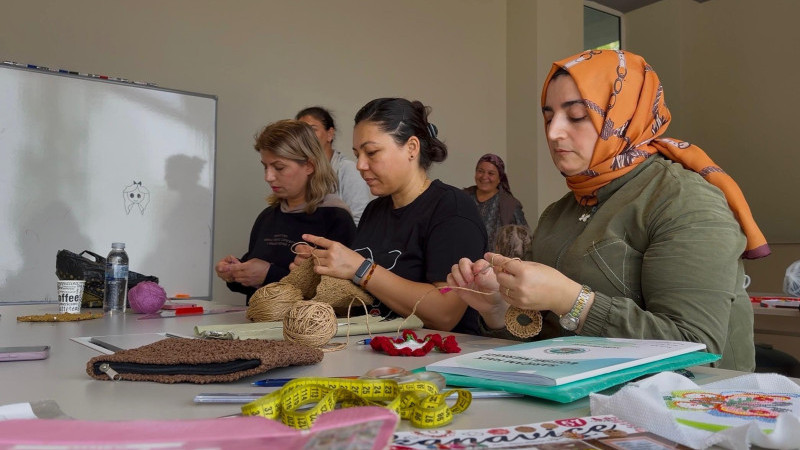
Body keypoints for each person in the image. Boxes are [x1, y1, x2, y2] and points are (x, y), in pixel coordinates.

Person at [447, 50, 770, 371]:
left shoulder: (684, 201)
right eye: (548, 117)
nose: (553, 132)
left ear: (626, 114)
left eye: (575, 116)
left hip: (691, 410)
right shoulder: (558, 213)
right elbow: (550, 348)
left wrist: (572, 300)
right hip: (586, 405)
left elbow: (697, 350)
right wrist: (500, 309)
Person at [293, 98, 487, 333]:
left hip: (436, 358)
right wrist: (324, 268)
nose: (360, 165)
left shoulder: (452, 208)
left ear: (412, 148)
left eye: (372, 152)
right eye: (357, 154)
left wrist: (361, 269)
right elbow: (365, 292)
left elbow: (444, 313)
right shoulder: (375, 210)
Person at [216, 120, 357, 303]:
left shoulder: (336, 218)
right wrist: (235, 273)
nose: (268, 177)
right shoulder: (267, 217)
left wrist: (269, 275)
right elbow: (254, 282)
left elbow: (337, 294)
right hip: (259, 325)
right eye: (265, 166)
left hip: (305, 330)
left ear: (309, 166)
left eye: (279, 167)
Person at [296, 106, 372, 225]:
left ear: (330, 134)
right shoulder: (299, 170)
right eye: (300, 131)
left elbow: (360, 219)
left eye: (312, 129)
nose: (305, 136)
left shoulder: (348, 169)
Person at [463, 153, 528, 251]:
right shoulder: (463, 197)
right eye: (480, 171)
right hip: (465, 260)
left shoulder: (510, 204)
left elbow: (524, 239)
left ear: (499, 178)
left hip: (495, 263)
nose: (484, 177)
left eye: (491, 173)